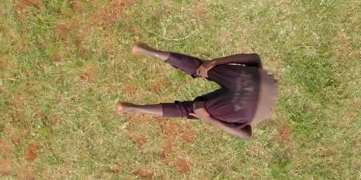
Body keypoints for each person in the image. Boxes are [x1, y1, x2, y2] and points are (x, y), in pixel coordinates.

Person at [117, 43, 278, 139]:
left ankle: (147, 50)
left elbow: (254, 58)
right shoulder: (254, 118)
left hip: (253, 80)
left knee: (200, 67)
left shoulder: (270, 84)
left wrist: (213, 62)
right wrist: (208, 119)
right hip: (242, 110)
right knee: (189, 110)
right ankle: (132, 108)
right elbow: (245, 134)